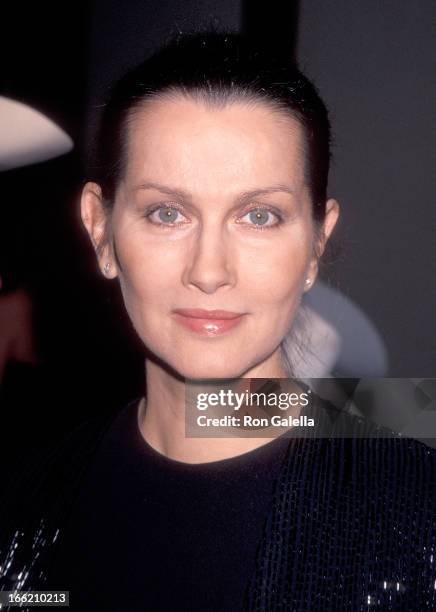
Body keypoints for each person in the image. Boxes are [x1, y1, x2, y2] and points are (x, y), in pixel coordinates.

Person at [0, 30, 435, 612]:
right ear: (100, 231)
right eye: (166, 212)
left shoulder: (419, 513)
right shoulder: (21, 501)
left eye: (259, 215)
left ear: (315, 244)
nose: (210, 270)